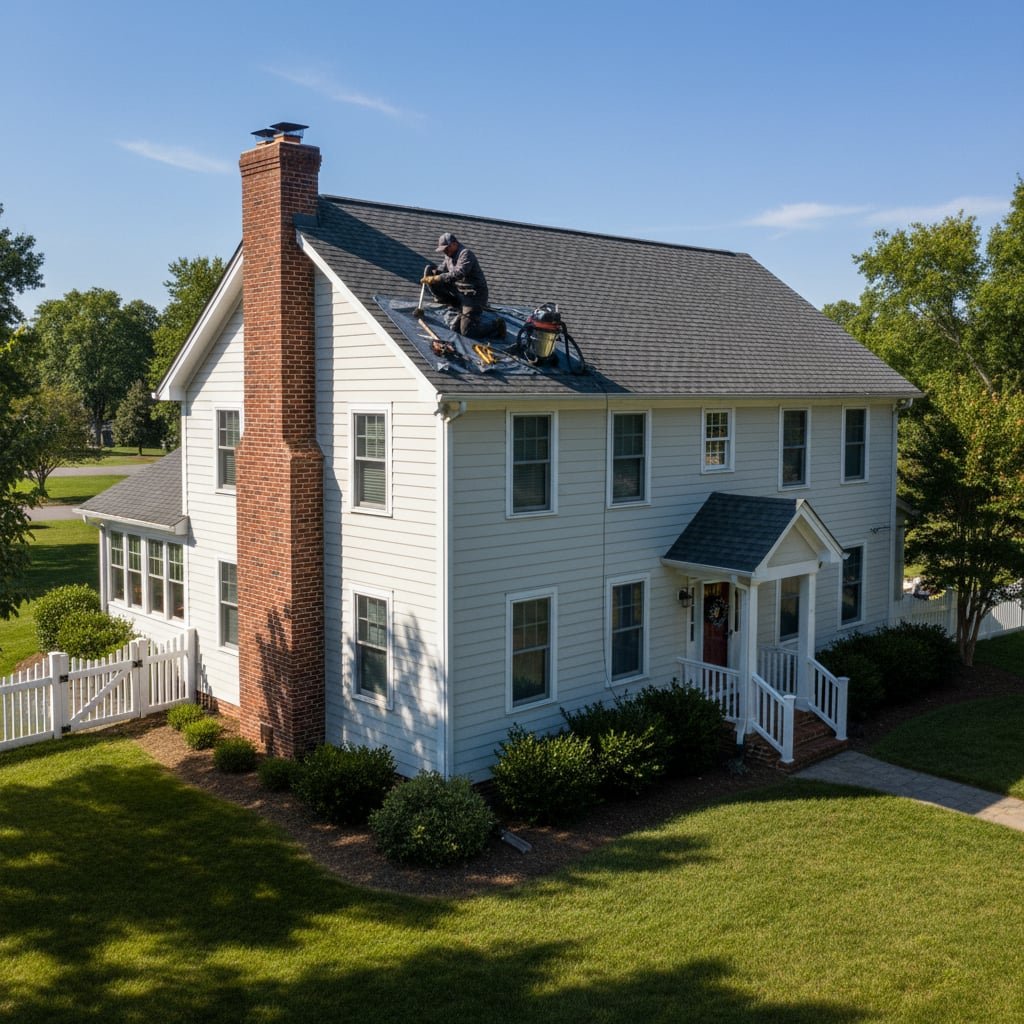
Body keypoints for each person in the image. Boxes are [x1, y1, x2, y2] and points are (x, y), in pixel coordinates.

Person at [421, 232, 491, 338]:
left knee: (467, 332)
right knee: (455, 328)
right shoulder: (448, 256)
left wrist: (437, 278)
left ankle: (497, 325)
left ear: (454, 244)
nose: (445, 251)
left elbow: (459, 273)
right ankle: (452, 303)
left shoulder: (466, 254)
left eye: (446, 248)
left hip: (475, 296)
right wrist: (432, 273)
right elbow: (442, 269)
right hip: (460, 293)